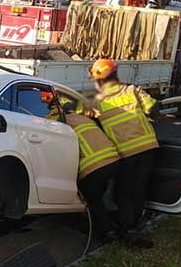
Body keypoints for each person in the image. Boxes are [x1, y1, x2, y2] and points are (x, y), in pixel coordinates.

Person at [87, 59, 159, 248]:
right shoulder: (133, 91)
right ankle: (134, 225)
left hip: (126, 153)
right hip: (149, 148)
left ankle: (128, 229)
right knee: (139, 189)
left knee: (124, 193)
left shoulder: (97, 101)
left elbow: (83, 119)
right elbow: (154, 109)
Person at [63, 101, 120, 243]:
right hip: (113, 160)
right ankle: (115, 220)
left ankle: (106, 232)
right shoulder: (85, 118)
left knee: (94, 201)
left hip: (93, 166)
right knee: (102, 195)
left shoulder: (63, 122)